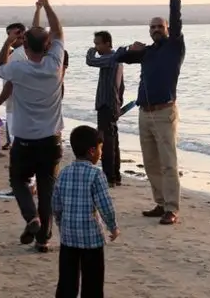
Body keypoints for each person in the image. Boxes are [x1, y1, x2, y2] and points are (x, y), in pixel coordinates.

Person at [89, 0, 184, 224]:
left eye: (159, 26)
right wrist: (127, 48)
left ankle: (172, 208)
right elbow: (119, 57)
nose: (155, 29)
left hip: (165, 112)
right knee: (151, 162)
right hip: (145, 112)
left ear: (166, 29)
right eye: (152, 27)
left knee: (168, 162)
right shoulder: (148, 52)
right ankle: (160, 203)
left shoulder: (174, 47)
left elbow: (176, 18)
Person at [0, 0, 65, 252]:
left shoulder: (18, 68)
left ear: (24, 46)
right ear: (48, 46)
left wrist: (8, 42)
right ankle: (44, 239)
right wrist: (46, 4)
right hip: (51, 140)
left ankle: (31, 217)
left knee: (19, 181)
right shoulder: (55, 64)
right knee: (47, 189)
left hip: (24, 139)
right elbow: (57, 30)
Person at [53, 125, 119, 298]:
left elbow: (56, 205)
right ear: (91, 151)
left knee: (67, 279)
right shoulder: (96, 175)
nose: (101, 153)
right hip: (91, 238)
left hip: (69, 236)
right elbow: (105, 206)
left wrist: (61, 224)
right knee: (93, 282)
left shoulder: (64, 173)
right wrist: (113, 226)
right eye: (100, 149)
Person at [85, 31, 124, 187]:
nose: (96, 47)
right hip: (111, 104)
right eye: (95, 44)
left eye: (98, 43)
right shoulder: (116, 60)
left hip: (107, 105)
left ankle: (110, 177)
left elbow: (90, 61)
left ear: (107, 43)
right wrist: (119, 103)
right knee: (113, 140)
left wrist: (91, 50)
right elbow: (122, 85)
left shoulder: (111, 58)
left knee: (106, 142)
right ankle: (115, 175)